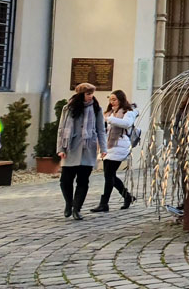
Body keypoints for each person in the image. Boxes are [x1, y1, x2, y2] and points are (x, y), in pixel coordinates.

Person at [57, 83, 107, 220]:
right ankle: (69, 203)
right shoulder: (68, 108)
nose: (91, 96)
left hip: (88, 148)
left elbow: (101, 130)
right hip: (70, 147)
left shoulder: (96, 108)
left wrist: (103, 148)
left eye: (92, 93)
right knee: (65, 180)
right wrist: (60, 148)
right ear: (81, 95)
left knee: (83, 180)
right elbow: (61, 129)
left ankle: (77, 208)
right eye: (88, 94)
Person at [91, 90, 137, 212]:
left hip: (120, 145)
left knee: (109, 174)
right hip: (109, 145)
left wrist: (110, 119)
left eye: (114, 99)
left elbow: (127, 123)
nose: (112, 102)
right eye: (110, 99)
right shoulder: (110, 112)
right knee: (110, 175)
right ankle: (127, 197)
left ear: (121, 100)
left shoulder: (128, 111)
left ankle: (104, 203)